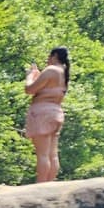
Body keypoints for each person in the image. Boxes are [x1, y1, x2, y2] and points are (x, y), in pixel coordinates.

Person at [24, 46, 70, 184]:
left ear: (55, 56)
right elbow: (47, 87)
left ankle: (41, 185)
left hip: (42, 113)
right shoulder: (64, 72)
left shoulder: (51, 70)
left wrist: (30, 76)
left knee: (42, 154)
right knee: (52, 154)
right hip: (56, 112)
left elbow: (29, 89)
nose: (47, 60)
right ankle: (50, 183)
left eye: (49, 56)